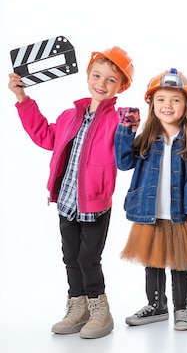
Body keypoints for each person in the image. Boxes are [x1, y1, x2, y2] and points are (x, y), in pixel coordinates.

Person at [7, 46, 135, 339]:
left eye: (111, 80)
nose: (101, 84)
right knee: (70, 256)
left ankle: (99, 308)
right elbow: (44, 135)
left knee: (89, 258)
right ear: (87, 76)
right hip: (66, 201)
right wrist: (22, 98)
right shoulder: (69, 116)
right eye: (97, 75)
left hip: (95, 203)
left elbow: (125, 157)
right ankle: (77, 306)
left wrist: (130, 130)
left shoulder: (117, 120)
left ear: (122, 86)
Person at [115, 68, 187, 331]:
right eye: (161, 100)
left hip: (178, 212)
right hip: (150, 212)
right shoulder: (146, 137)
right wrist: (125, 130)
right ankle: (156, 305)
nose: (167, 105)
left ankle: (182, 309)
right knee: (152, 260)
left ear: (186, 105)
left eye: (175, 100)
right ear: (151, 104)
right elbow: (123, 163)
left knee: (180, 262)